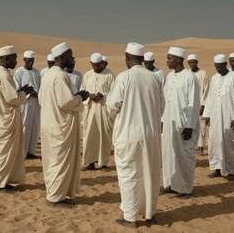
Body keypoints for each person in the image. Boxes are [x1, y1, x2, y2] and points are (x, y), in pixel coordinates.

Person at [107, 42, 164, 228]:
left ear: (128, 58)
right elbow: (161, 107)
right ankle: (150, 215)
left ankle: (130, 218)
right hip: (151, 135)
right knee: (150, 173)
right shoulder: (154, 78)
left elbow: (112, 105)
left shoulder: (124, 77)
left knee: (129, 174)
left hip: (129, 134)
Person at [38, 42, 89, 208]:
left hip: (51, 124)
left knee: (55, 161)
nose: (71, 59)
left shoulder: (47, 75)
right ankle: (55, 198)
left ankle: (59, 194)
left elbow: (42, 99)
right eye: (69, 56)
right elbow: (65, 102)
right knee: (59, 162)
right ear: (60, 57)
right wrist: (80, 97)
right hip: (59, 127)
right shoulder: (59, 76)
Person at [0, 46, 34, 193]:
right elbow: (12, 98)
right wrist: (24, 93)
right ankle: (0, 184)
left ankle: (3, 180)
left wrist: (19, 92)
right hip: (3, 120)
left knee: (1, 151)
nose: (16, 61)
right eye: (14, 58)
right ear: (6, 59)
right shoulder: (3, 75)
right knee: (3, 152)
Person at [161, 46, 200, 199]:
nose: (167, 61)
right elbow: (165, 100)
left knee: (184, 155)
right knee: (168, 153)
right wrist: (162, 120)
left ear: (178, 60)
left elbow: (194, 102)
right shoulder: (169, 77)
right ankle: (170, 184)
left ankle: (185, 188)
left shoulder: (190, 77)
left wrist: (190, 125)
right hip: (169, 121)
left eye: (170, 58)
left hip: (184, 123)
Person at [202, 54, 234, 180]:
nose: (218, 69)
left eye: (220, 66)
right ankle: (217, 169)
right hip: (215, 116)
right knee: (214, 142)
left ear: (225, 65)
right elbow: (210, 97)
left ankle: (231, 171)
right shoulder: (214, 78)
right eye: (216, 66)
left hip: (229, 115)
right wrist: (207, 115)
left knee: (229, 142)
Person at [81, 52, 115, 172]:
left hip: (103, 110)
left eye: (98, 65)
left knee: (104, 135)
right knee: (89, 135)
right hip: (90, 109)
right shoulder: (87, 75)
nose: (96, 67)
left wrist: (103, 95)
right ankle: (89, 162)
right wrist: (90, 95)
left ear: (102, 63)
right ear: (91, 64)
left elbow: (114, 93)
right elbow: (82, 91)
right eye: (94, 65)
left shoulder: (110, 75)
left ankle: (103, 163)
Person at [14, 50, 41, 159]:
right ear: (24, 60)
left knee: (34, 127)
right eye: (29, 61)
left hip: (36, 103)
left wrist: (37, 93)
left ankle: (31, 151)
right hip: (25, 103)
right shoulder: (18, 72)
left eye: (32, 61)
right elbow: (16, 88)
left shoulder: (36, 72)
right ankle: (22, 153)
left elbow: (40, 86)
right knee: (25, 127)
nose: (31, 63)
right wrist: (29, 92)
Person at [187, 54, 209, 156]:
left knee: (201, 127)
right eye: (190, 62)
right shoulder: (186, 74)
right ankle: (192, 146)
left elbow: (206, 90)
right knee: (189, 125)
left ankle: (201, 148)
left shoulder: (203, 74)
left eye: (193, 62)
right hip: (188, 105)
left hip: (200, 104)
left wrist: (203, 105)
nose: (192, 64)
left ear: (197, 62)